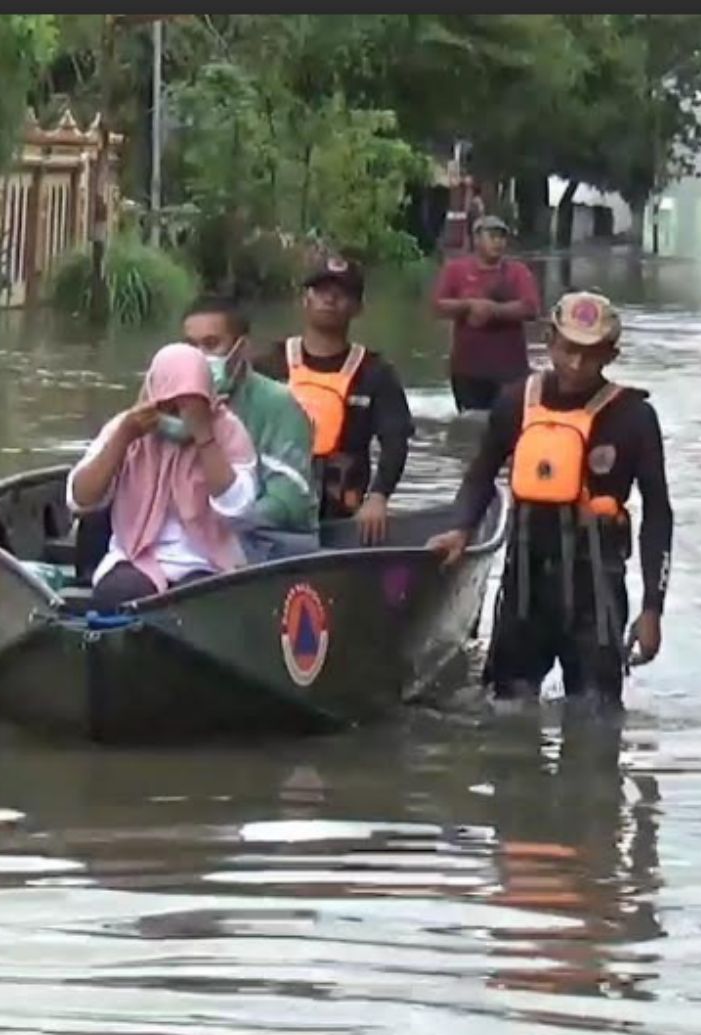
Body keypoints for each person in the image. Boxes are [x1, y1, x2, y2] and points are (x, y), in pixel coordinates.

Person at [426, 290, 672, 710]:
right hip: (526, 587)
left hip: (596, 592)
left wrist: (652, 608)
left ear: (611, 355)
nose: (577, 364)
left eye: (591, 354)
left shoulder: (634, 418)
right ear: (549, 340)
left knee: (596, 720)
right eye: (569, 349)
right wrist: (461, 528)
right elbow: (481, 475)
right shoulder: (514, 403)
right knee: (506, 712)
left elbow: (658, 514)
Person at [67, 343, 259, 611]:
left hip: (206, 561)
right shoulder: (128, 428)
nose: (177, 415)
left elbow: (238, 507)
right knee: (118, 595)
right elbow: (81, 498)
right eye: (169, 406)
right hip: (134, 556)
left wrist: (204, 436)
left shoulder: (227, 432)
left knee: (199, 604)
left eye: (187, 406)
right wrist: (124, 438)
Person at [254, 254, 414, 546]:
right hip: (273, 510)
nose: (330, 299)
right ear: (305, 299)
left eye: (342, 293)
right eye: (321, 290)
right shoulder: (269, 363)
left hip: (343, 515)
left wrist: (378, 497)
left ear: (358, 307)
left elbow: (396, 441)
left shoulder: (376, 372)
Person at [180, 295, 320, 562]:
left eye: (211, 345)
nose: (199, 357)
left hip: (271, 539)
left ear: (241, 348)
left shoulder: (278, 404)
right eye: (190, 347)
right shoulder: (172, 401)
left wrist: (214, 522)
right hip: (193, 535)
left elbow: (287, 502)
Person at [432, 214, 542, 414]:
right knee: (470, 426)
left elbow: (531, 307)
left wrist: (494, 310)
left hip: (511, 371)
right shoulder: (456, 270)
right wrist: (468, 306)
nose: (498, 242)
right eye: (492, 236)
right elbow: (438, 306)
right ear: (476, 239)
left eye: (501, 237)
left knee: (508, 425)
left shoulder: (517, 272)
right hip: (467, 369)